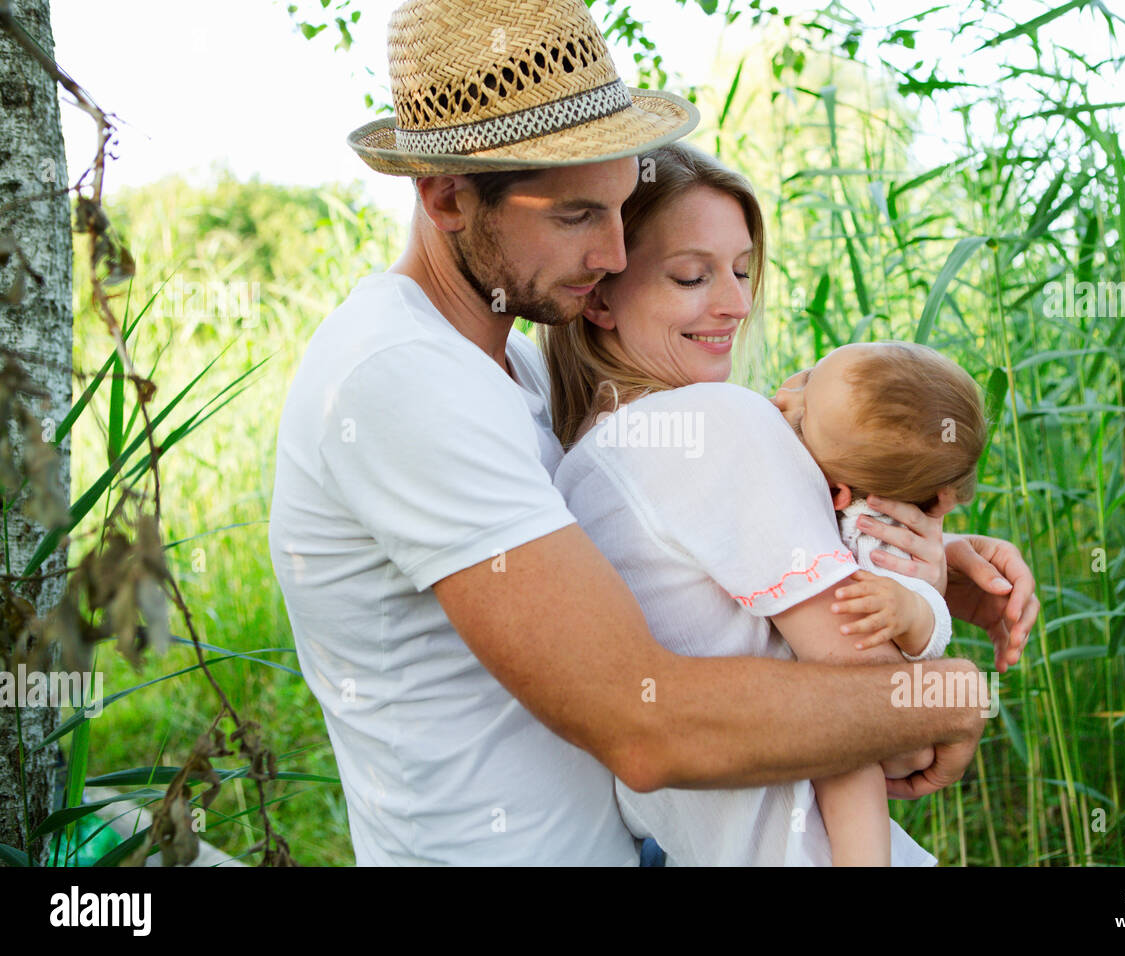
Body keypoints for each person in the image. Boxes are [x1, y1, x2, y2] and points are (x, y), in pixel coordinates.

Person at [269, 0, 1036, 866]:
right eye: (574, 216)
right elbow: (646, 723)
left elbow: (647, 572)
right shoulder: (401, 379)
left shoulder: (510, 372)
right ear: (447, 195)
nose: (612, 252)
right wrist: (943, 693)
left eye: (621, 206)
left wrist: (901, 560)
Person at [542, 143, 1004, 865]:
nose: (733, 303)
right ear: (598, 294)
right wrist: (933, 614)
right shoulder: (720, 422)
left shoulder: (579, 467)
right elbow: (900, 732)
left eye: (743, 270)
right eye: (692, 275)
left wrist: (936, 557)